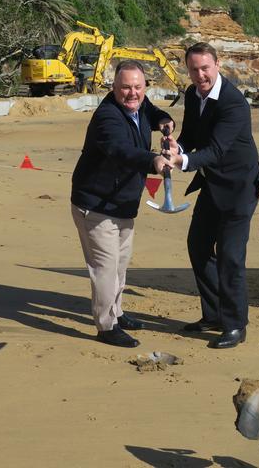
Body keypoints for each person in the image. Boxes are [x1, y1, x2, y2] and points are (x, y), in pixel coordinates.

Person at [164, 42, 259, 349]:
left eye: (205, 68)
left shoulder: (234, 103)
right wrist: (175, 147)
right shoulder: (193, 95)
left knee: (231, 258)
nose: (200, 75)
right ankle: (214, 315)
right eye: (194, 69)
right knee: (198, 246)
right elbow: (192, 136)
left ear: (218, 65)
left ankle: (235, 325)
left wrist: (182, 162)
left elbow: (217, 150)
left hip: (239, 188)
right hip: (211, 184)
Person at [71, 60, 174, 348]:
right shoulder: (107, 117)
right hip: (96, 204)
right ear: (113, 88)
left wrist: (165, 120)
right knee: (104, 267)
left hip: (124, 204)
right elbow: (122, 150)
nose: (132, 93)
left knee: (120, 266)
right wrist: (153, 159)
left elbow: (151, 111)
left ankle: (117, 312)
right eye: (125, 87)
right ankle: (106, 326)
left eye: (138, 87)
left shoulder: (139, 104)